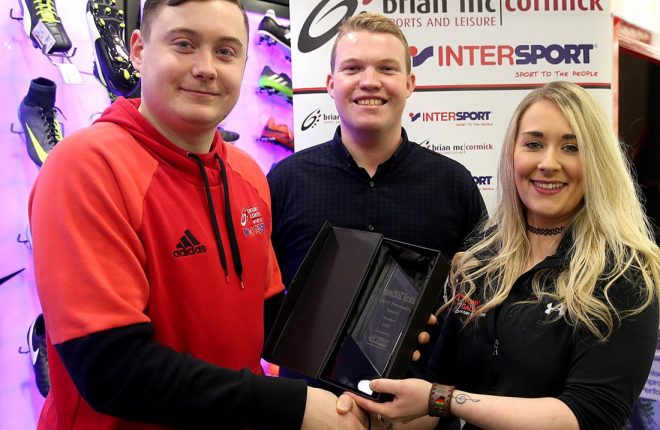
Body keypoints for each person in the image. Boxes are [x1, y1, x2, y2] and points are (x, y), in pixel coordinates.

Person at [28, 1, 365, 429]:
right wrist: (292, 406)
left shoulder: (247, 174)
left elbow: (271, 318)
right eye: (184, 44)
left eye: (226, 51)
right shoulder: (86, 167)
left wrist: (377, 340)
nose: (206, 67)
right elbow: (111, 370)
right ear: (138, 49)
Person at [346, 81, 660, 430]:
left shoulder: (624, 273)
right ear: (513, 153)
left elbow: (589, 415)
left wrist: (444, 400)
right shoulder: (481, 261)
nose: (548, 163)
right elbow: (431, 398)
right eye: (533, 144)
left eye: (571, 147)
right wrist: (369, 410)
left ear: (597, 162)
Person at [266, 13, 486, 378]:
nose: (370, 82)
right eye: (353, 68)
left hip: (420, 416)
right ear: (331, 83)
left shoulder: (455, 185)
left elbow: (481, 303)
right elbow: (259, 302)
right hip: (312, 410)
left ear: (409, 83)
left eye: (386, 69)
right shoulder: (285, 183)